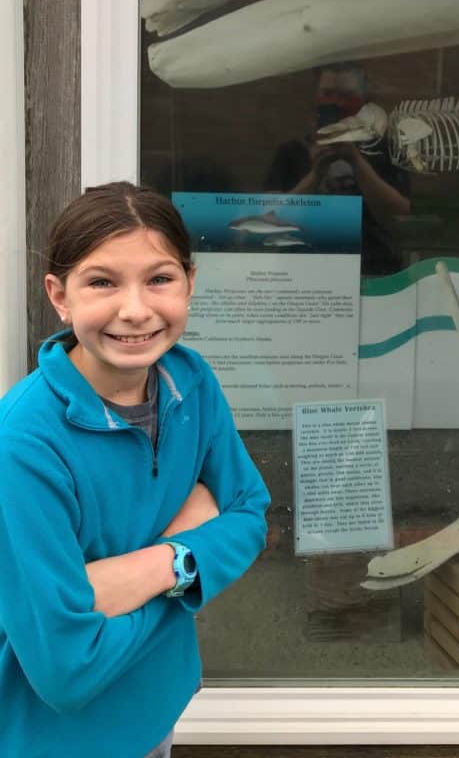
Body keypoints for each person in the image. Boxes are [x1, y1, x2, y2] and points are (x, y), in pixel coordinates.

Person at [0, 182, 270, 758]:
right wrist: (188, 561)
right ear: (59, 295)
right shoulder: (22, 442)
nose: (136, 310)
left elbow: (249, 515)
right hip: (58, 740)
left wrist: (160, 564)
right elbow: (65, 670)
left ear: (190, 283)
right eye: (102, 282)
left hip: (159, 706)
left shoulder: (190, 381)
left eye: (160, 278)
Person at [264, 63, 411, 275]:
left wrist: (357, 161)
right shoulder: (291, 152)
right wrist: (315, 175)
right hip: (302, 270)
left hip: (372, 268)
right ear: (316, 98)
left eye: (347, 96)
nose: (337, 104)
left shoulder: (386, 151)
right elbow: (269, 219)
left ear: (363, 101)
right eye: (328, 94)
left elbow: (401, 220)